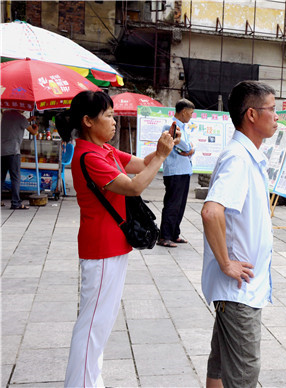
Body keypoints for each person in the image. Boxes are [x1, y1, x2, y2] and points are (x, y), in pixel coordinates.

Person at [55, 91, 178, 387]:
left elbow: (141, 163)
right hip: (101, 248)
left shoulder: (104, 151)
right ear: (87, 121)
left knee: (101, 322)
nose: (113, 121)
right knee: (92, 325)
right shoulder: (89, 156)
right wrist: (160, 156)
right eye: (108, 116)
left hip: (112, 246)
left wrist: (163, 148)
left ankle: (90, 380)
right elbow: (135, 186)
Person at [201, 81, 278, 388]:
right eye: (271, 109)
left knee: (219, 365)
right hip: (239, 289)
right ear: (251, 115)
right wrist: (226, 263)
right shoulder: (238, 158)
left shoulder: (248, 156)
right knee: (244, 374)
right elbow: (211, 211)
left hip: (241, 288)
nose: (276, 116)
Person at [157, 98, 195, 247]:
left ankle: (174, 234)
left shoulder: (183, 128)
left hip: (184, 169)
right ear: (183, 112)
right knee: (172, 204)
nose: (191, 116)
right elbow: (184, 147)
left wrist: (188, 148)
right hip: (175, 171)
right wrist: (188, 148)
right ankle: (164, 236)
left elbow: (190, 147)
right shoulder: (170, 126)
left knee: (180, 205)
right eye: (190, 113)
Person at [1, 109, 38, 209]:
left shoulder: (6, 115)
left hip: (2, 151)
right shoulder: (21, 118)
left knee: (1, 177)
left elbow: (16, 122)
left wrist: (29, 119)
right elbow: (33, 132)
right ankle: (15, 202)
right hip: (13, 151)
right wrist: (36, 127)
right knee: (15, 178)